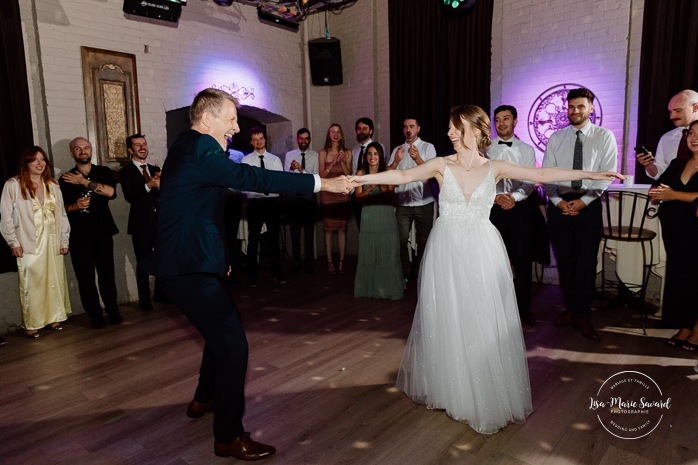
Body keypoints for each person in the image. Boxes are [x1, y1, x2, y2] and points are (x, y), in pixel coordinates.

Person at [349, 104, 622, 434]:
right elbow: (403, 176)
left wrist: (593, 176)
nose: (450, 132)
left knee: (479, 315)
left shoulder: (496, 167)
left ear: (476, 131)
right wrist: (357, 178)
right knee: (448, 315)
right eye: (449, 127)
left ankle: (479, 388)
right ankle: (450, 386)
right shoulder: (440, 164)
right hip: (445, 249)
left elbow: (541, 175)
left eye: (456, 127)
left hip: (481, 248)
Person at [139, 88, 351, 460]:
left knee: (218, 332)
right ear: (207, 120)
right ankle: (228, 436)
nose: (236, 128)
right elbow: (252, 178)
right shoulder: (202, 148)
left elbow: (196, 208)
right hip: (187, 267)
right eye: (231, 119)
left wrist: (218, 255)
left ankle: (204, 398)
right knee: (233, 344)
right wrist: (322, 183)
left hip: (190, 261)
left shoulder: (185, 146)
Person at [542, 88, 618, 340]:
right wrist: (556, 201)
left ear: (591, 108)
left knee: (586, 262)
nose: (575, 111)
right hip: (560, 205)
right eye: (571, 106)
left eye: (581, 106)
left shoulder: (604, 136)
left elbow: (606, 174)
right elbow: (547, 173)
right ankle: (570, 309)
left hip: (589, 206)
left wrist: (584, 201)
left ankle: (583, 315)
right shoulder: (556, 138)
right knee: (565, 261)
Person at [0, 146, 71, 338]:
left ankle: (54, 317)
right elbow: (6, 217)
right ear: (26, 163)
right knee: (31, 282)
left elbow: (62, 215)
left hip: (52, 240)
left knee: (54, 279)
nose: (40, 163)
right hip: (29, 241)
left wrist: (64, 239)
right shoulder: (13, 185)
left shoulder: (53, 185)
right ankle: (31, 323)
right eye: (35, 160)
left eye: (43, 159)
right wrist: (13, 242)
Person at [59, 137, 122, 328]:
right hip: (78, 236)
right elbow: (60, 210)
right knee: (85, 279)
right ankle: (95, 316)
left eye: (86, 147)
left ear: (91, 150)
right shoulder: (64, 179)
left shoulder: (103, 172)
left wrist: (83, 181)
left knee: (107, 275)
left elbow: (111, 193)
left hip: (103, 232)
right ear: (72, 153)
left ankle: (113, 312)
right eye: (78, 149)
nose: (82, 151)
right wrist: (75, 206)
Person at [648, 118, 698, 350]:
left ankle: (697, 330)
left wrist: (675, 195)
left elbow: (672, 193)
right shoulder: (679, 163)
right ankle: (686, 326)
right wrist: (658, 192)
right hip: (677, 231)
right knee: (684, 279)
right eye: (691, 133)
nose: (694, 137)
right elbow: (657, 188)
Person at [487, 105, 538, 326]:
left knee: (522, 261)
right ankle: (495, 308)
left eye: (506, 119)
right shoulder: (486, 149)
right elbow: (482, 179)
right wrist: (497, 198)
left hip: (520, 209)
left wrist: (513, 198)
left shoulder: (526, 150)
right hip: (493, 209)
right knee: (493, 261)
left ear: (515, 121)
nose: (501, 124)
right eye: (497, 120)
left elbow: (529, 182)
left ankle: (523, 309)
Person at [119, 133, 166, 311]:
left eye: (144, 144)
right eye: (137, 145)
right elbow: (131, 197)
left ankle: (162, 294)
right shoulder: (126, 172)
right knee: (144, 262)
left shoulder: (155, 168)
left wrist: (162, 186)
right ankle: (145, 300)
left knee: (162, 258)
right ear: (131, 150)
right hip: (141, 225)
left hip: (159, 222)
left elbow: (161, 196)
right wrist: (149, 186)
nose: (142, 147)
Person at [387, 117, 437, 282]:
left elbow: (432, 174)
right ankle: (405, 273)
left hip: (424, 202)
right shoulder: (398, 149)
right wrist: (396, 161)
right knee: (400, 239)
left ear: (418, 128)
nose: (408, 129)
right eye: (405, 127)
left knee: (424, 241)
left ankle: (420, 273)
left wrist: (417, 159)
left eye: (411, 126)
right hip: (403, 203)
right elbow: (388, 174)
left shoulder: (428, 147)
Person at [353, 142, 404, 300]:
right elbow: (358, 198)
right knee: (369, 253)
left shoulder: (387, 172)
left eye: (375, 154)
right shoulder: (361, 173)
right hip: (369, 216)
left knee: (387, 252)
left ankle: (388, 289)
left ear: (380, 156)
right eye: (369, 153)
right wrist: (370, 187)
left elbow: (391, 196)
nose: (372, 157)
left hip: (386, 215)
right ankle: (369, 288)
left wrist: (382, 185)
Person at [241, 128, 286, 285]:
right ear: (251, 142)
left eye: (261, 138)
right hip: (255, 203)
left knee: (273, 239)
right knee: (254, 240)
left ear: (265, 140)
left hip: (272, 202)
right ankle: (253, 276)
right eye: (255, 139)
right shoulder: (246, 161)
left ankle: (277, 273)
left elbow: (279, 182)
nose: (258, 142)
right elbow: (245, 183)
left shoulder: (274, 160)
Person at [637, 89, 698, 179]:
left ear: (696, 107)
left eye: (677, 111)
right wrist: (649, 164)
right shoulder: (667, 138)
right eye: (670, 112)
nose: (672, 116)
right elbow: (660, 175)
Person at [318, 123, 352, 274]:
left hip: (342, 194)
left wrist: (342, 161)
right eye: (332, 131)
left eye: (338, 131)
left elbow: (348, 175)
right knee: (329, 230)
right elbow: (321, 176)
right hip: (328, 194)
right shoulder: (323, 153)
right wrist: (332, 163)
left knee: (342, 229)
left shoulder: (348, 152)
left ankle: (342, 262)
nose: (335, 134)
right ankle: (330, 262)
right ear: (329, 134)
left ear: (342, 135)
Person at [284, 128, 319, 274]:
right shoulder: (289, 155)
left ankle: (309, 264)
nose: (304, 141)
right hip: (293, 198)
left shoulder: (315, 156)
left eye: (306, 138)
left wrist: (301, 169)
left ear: (309, 140)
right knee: (294, 232)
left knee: (309, 233)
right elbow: (286, 177)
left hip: (309, 197)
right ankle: (296, 264)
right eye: (301, 138)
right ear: (297, 139)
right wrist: (292, 170)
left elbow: (315, 177)